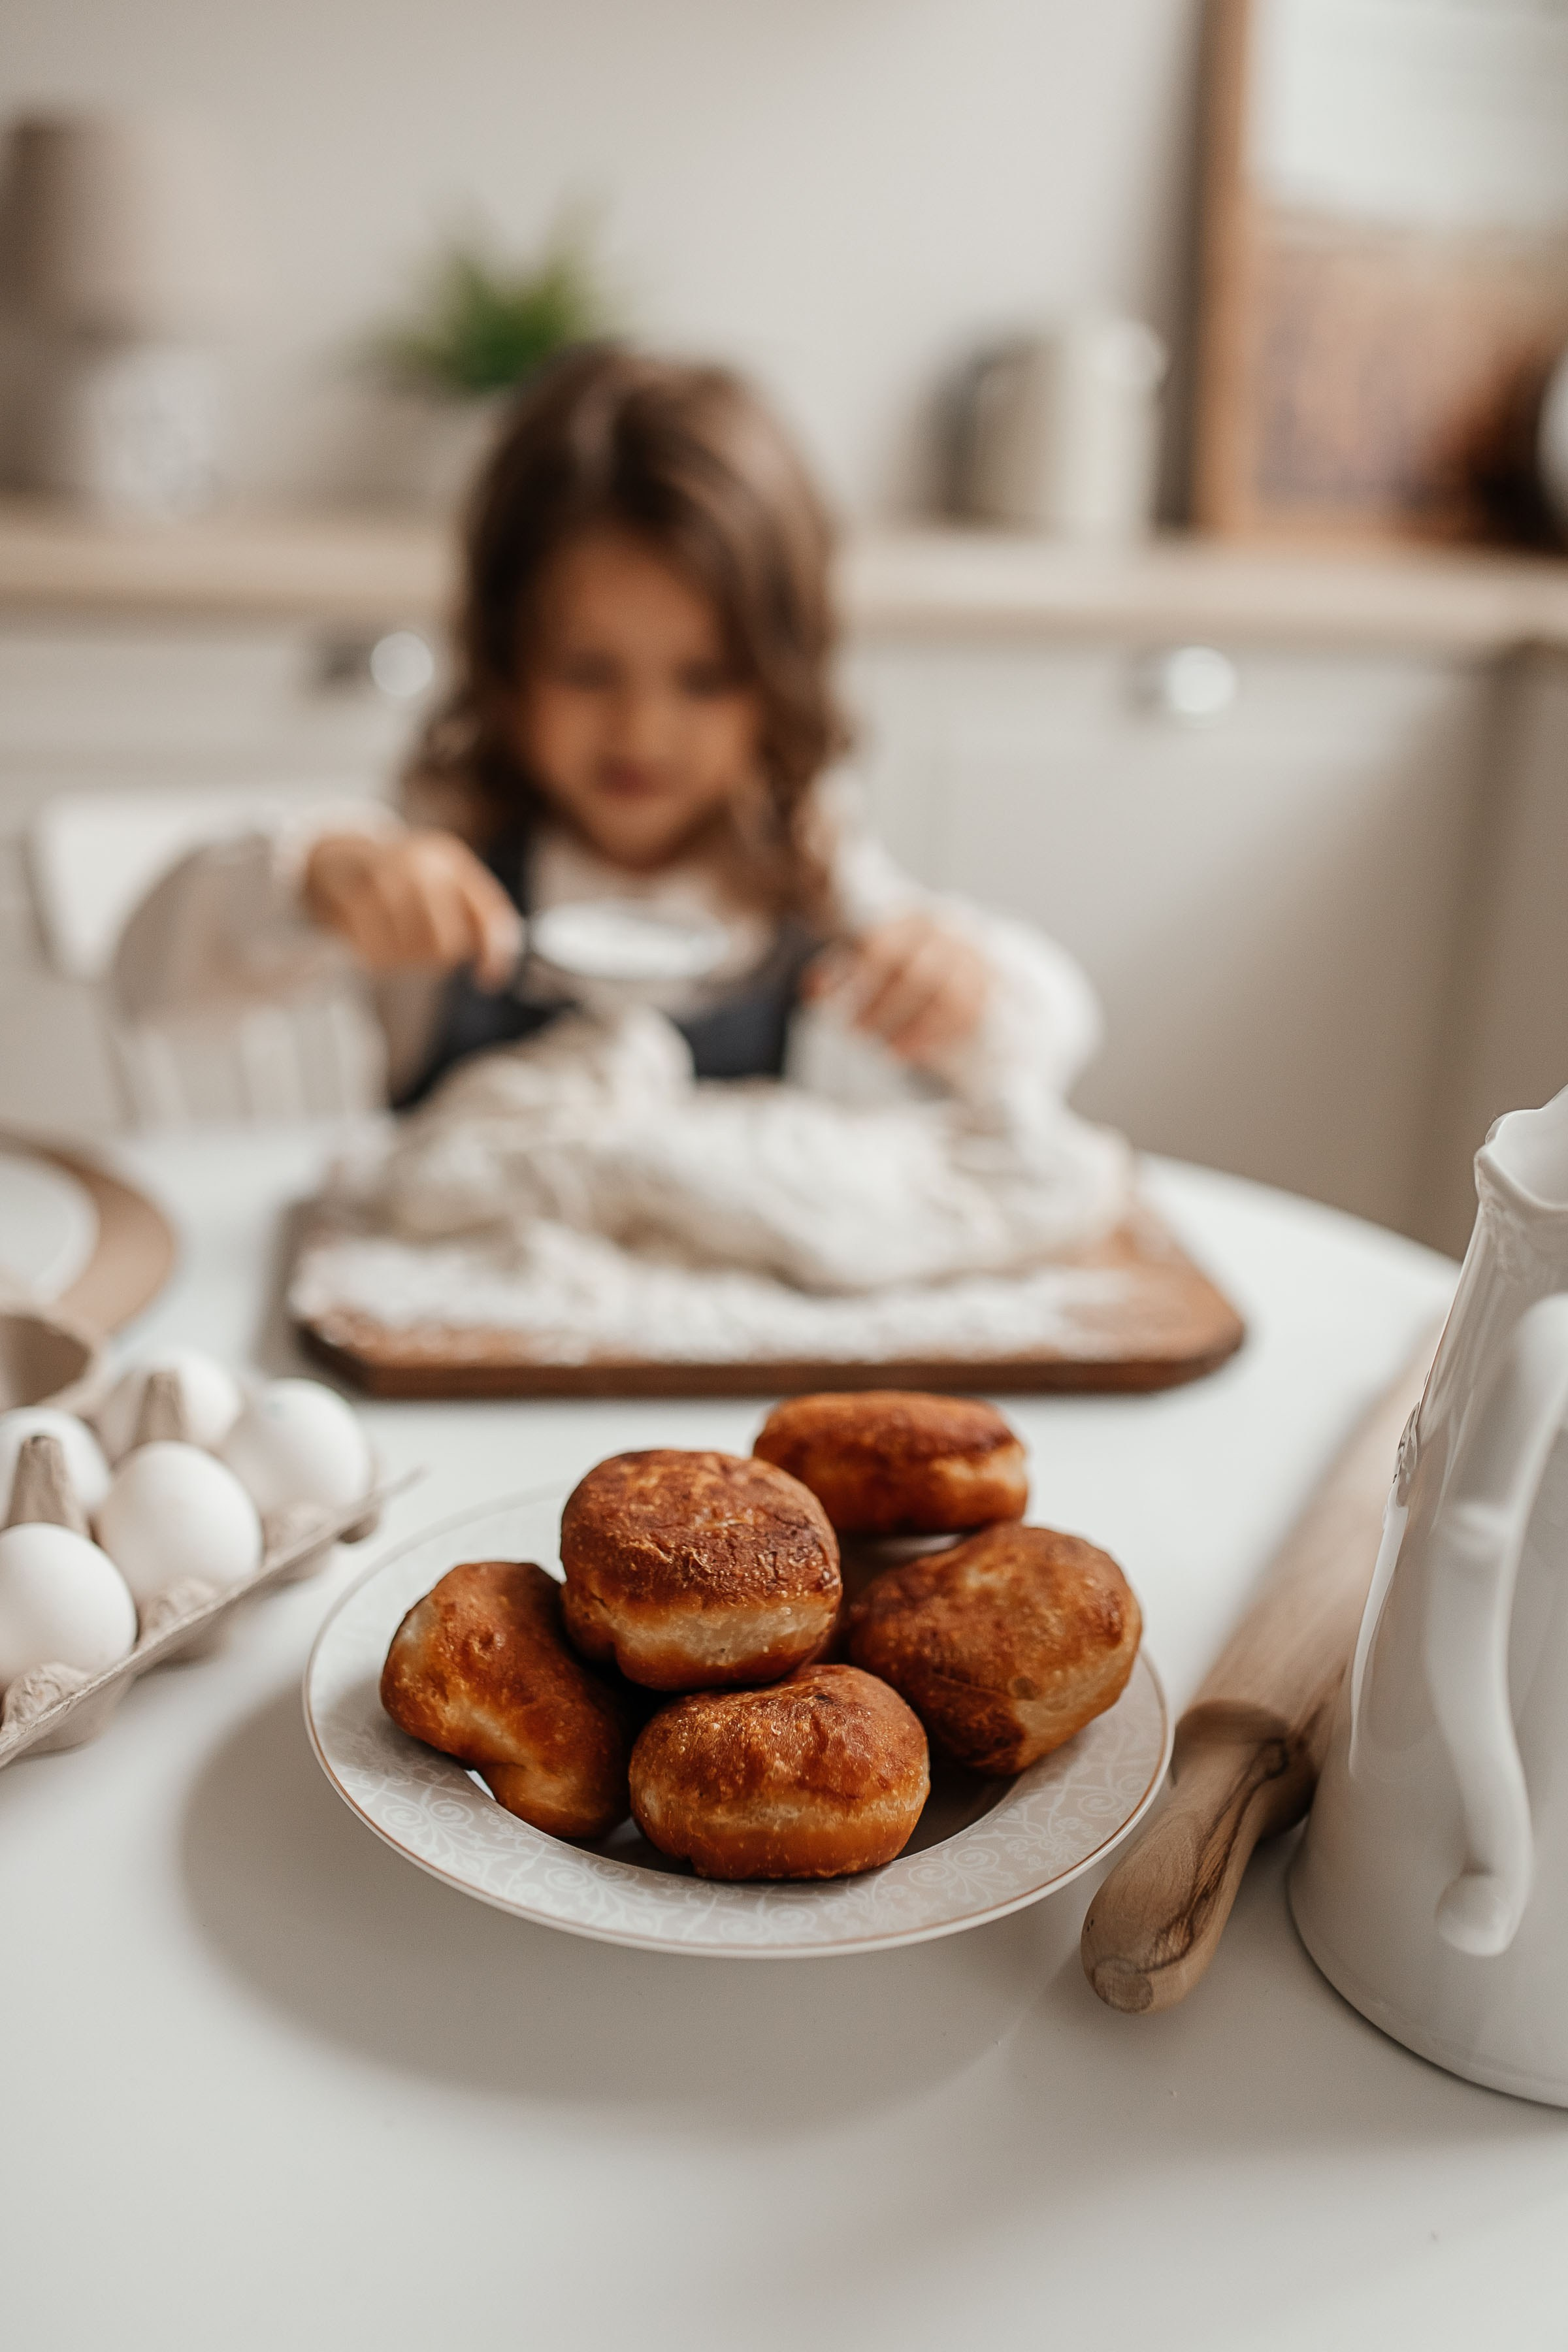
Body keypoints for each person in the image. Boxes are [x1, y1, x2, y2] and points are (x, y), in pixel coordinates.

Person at [116, 346, 1100, 1113]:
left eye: (705, 679)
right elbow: (155, 980)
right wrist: (320, 879)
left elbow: (1046, 1037)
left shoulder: (802, 856)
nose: (641, 728)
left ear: (781, 679)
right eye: (588, 671)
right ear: (504, 660)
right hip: (441, 1333)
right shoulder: (449, 839)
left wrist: (958, 984)